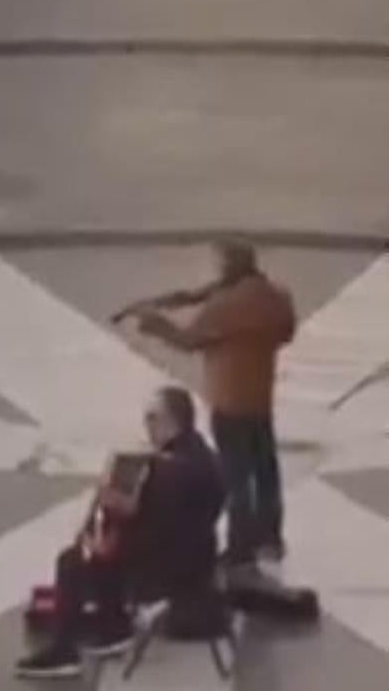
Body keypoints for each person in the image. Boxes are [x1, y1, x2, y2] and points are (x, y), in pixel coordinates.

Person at [15, 387, 225, 679]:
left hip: (167, 572)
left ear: (173, 421)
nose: (147, 426)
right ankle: (112, 627)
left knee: (73, 560)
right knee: (105, 553)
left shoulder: (167, 470)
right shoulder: (207, 459)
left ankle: (66, 649)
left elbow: (146, 522)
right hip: (199, 563)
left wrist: (109, 513)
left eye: (152, 418)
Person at [118, 240, 296, 567]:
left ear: (229, 265)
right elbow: (286, 331)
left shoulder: (226, 306)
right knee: (265, 472)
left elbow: (189, 340)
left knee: (237, 477)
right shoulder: (274, 300)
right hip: (260, 399)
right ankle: (270, 537)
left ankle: (240, 546)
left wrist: (157, 326)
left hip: (229, 402)